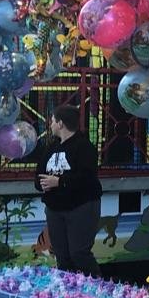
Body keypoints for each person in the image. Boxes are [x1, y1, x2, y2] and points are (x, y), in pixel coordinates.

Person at [33, 106, 104, 277]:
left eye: (52, 121)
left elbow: (87, 179)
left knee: (79, 253)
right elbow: (39, 174)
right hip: (55, 209)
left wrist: (60, 181)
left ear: (60, 123)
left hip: (80, 207)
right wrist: (42, 184)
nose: (50, 125)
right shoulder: (51, 147)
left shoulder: (84, 147)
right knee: (62, 255)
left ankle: (97, 285)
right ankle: (68, 287)